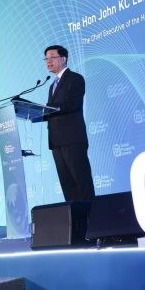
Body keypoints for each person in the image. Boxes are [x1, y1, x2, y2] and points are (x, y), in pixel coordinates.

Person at [42, 45, 94, 201]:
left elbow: (72, 104)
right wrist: (39, 113)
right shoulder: (52, 85)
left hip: (72, 139)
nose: (48, 61)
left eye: (52, 57)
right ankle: (74, 216)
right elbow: (53, 111)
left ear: (63, 59)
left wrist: (48, 109)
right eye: (46, 58)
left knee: (82, 182)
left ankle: (92, 215)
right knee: (67, 186)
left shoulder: (75, 79)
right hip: (56, 141)